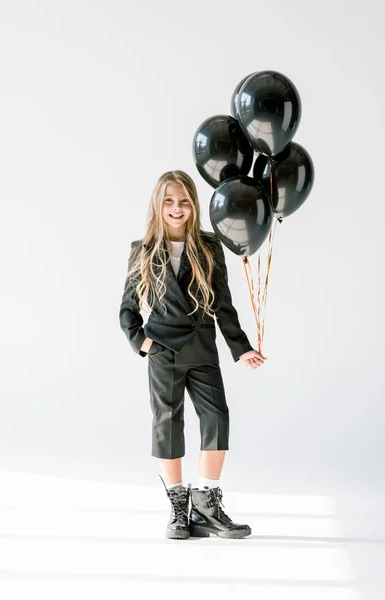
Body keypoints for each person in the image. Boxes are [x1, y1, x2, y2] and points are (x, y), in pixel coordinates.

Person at [119, 170, 266, 540]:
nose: (177, 208)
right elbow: (127, 309)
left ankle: (207, 504)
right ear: (158, 204)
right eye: (169, 200)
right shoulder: (143, 250)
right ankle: (178, 508)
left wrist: (241, 347)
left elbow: (224, 304)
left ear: (193, 205)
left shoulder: (209, 246)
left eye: (184, 201)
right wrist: (141, 342)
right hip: (163, 350)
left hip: (202, 347)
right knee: (167, 424)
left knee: (217, 416)